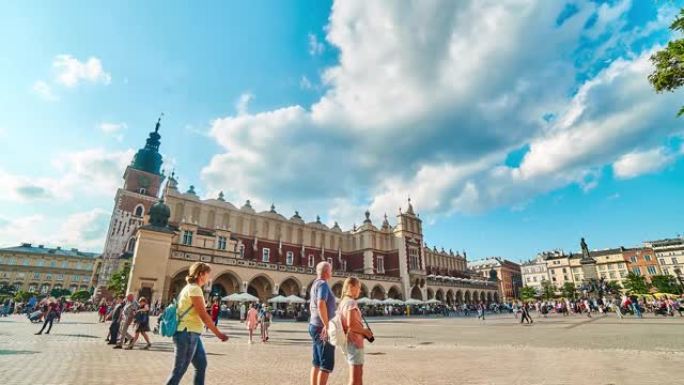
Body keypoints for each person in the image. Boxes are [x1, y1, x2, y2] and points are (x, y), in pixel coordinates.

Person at [165, 262, 228, 385]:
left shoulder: (189, 288)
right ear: (200, 274)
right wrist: (219, 334)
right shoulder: (195, 289)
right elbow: (204, 315)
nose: (209, 277)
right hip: (187, 333)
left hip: (192, 333)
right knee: (179, 370)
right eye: (207, 274)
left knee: (201, 365)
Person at [338, 277, 374, 385]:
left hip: (347, 342)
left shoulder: (343, 302)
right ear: (351, 287)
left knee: (357, 374)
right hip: (354, 342)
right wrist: (365, 331)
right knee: (356, 377)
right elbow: (351, 325)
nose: (360, 290)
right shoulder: (351, 302)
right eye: (359, 287)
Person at [309, 261, 336, 385]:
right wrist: (326, 325)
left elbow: (313, 305)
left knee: (317, 362)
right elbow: (321, 304)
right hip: (321, 327)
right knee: (325, 365)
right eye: (330, 270)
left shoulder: (315, 284)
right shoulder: (323, 284)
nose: (331, 273)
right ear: (326, 272)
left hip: (314, 325)